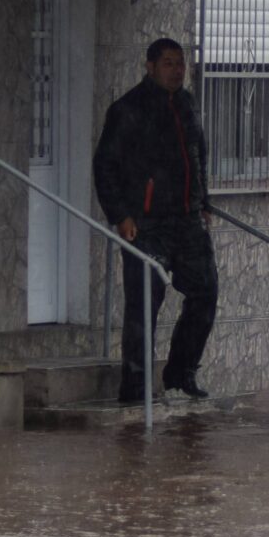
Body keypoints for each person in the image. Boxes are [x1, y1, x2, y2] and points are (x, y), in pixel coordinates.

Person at [91, 38, 219, 403]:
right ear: (149, 66)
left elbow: (199, 156)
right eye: (167, 63)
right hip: (146, 226)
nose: (176, 70)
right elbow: (105, 167)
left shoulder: (187, 104)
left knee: (206, 292)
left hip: (188, 222)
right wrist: (120, 216)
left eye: (179, 63)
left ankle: (180, 372)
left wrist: (204, 201)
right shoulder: (127, 109)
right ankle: (134, 390)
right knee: (143, 307)